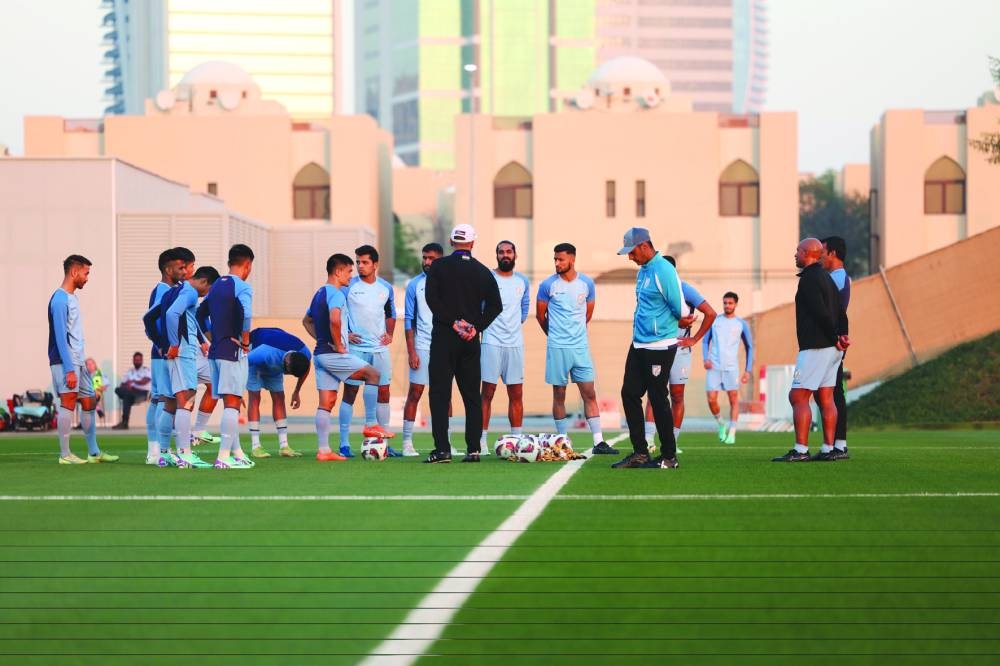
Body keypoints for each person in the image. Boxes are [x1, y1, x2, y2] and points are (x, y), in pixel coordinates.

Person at [423, 224, 502, 463]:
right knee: (471, 396)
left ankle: (442, 450)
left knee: (439, 394)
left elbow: (431, 299)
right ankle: (474, 449)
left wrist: (453, 322)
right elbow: (496, 306)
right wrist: (475, 326)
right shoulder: (483, 271)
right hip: (470, 340)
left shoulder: (438, 266)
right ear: (473, 243)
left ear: (451, 242)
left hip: (445, 337)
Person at [610, 228, 684, 469]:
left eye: (631, 252)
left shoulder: (664, 269)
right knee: (629, 393)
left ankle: (669, 456)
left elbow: (680, 308)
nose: (630, 258)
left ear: (643, 246)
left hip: (659, 345)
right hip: (639, 343)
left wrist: (677, 321)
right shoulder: (643, 271)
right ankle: (640, 452)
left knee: (658, 398)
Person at [772, 238, 849, 462]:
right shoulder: (827, 277)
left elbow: (820, 312)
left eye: (798, 251)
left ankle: (801, 449)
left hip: (816, 346)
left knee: (798, 396)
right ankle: (827, 449)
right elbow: (841, 312)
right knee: (826, 397)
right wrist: (842, 337)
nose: (795, 254)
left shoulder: (809, 279)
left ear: (807, 253)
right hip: (832, 348)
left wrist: (834, 336)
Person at [536, 243, 616, 455]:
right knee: (559, 394)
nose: (557, 263)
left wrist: (575, 333)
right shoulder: (547, 285)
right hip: (558, 347)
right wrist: (554, 335)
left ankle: (599, 441)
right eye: (555, 259)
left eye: (560, 259)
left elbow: (587, 314)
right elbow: (540, 316)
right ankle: (562, 441)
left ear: (572, 259)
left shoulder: (587, 283)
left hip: (580, 347)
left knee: (589, 393)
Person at [303, 253, 383, 462]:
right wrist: (339, 345)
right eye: (348, 271)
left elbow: (306, 321)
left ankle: (324, 451)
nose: (350, 276)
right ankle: (371, 424)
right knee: (373, 374)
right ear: (338, 272)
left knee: (326, 403)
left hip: (320, 355)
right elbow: (335, 320)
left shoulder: (319, 293)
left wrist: (321, 339)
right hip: (332, 354)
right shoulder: (336, 294)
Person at [642, 256, 717, 453]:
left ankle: (672, 442)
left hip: (680, 350)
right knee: (654, 393)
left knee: (677, 395)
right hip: (657, 348)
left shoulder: (685, 289)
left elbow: (710, 313)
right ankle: (648, 440)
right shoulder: (650, 289)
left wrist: (694, 339)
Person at [47, 254, 117, 464]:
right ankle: (65, 454)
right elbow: (60, 337)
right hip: (64, 361)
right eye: (86, 273)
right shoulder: (59, 299)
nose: (87, 278)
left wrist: (80, 363)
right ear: (74, 272)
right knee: (68, 401)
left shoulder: (72, 297)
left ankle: (94, 453)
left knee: (89, 400)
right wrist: (69, 368)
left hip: (79, 361)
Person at [196, 244, 255, 469]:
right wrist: (246, 341)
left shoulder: (216, 286)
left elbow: (200, 315)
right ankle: (223, 457)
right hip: (233, 351)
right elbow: (247, 315)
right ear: (247, 264)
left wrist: (213, 336)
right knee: (232, 404)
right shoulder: (242, 286)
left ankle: (237, 452)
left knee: (231, 403)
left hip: (215, 352)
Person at [337, 245, 396, 457]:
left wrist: (389, 333)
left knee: (384, 391)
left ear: (375, 264)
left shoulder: (385, 288)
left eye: (364, 262)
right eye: (358, 262)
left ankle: (384, 440)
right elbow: (337, 312)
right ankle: (344, 443)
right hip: (356, 349)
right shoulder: (348, 286)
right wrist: (347, 334)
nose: (360, 266)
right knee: (350, 392)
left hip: (379, 349)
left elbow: (391, 313)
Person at [164, 259, 218, 469]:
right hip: (182, 353)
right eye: (209, 290)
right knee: (183, 400)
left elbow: (188, 318)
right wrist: (174, 344)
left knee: (190, 396)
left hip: (189, 353)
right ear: (204, 281)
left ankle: (186, 447)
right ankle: (183, 454)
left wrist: (203, 341)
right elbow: (171, 314)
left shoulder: (183, 291)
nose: (207, 295)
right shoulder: (190, 292)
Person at [479, 240, 531, 453]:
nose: (505, 255)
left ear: (515, 255)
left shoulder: (523, 281)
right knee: (487, 393)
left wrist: (512, 327)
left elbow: (524, 308)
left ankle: (517, 440)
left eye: (509, 251)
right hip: (491, 342)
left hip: (514, 344)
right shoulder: (488, 278)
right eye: (501, 252)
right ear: (497, 255)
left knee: (516, 393)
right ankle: (481, 441)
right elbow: (480, 307)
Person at [401, 242, 447, 457]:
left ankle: (445, 443)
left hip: (444, 346)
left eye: (432, 258)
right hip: (421, 345)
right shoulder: (414, 285)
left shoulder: (451, 283)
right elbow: (408, 320)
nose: (427, 262)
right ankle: (407, 441)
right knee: (415, 392)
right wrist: (412, 352)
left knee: (444, 396)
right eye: (425, 258)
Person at [246, 327, 312, 458]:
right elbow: (242, 363)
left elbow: (307, 367)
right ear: (286, 363)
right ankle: (256, 446)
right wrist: (237, 388)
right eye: (287, 372)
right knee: (254, 398)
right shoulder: (263, 352)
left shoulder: (304, 353)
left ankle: (284, 446)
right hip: (254, 360)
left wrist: (297, 391)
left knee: (279, 398)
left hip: (275, 359)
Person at [142, 248, 181, 464]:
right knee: (164, 399)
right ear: (168, 269)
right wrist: (162, 345)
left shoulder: (166, 289)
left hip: (160, 352)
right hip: (163, 353)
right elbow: (154, 319)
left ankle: (153, 451)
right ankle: (157, 452)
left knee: (157, 399)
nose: (183, 271)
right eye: (180, 267)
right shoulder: (163, 290)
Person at [702, 291, 754, 444]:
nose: (727, 306)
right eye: (725, 303)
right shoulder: (715, 321)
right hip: (714, 366)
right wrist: (706, 358)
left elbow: (750, 346)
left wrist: (748, 370)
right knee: (711, 399)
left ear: (736, 304)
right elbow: (705, 341)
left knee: (733, 399)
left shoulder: (741, 324)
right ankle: (721, 424)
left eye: (730, 303)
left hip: (732, 368)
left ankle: (732, 432)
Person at [822, 235, 852, 459]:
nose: (820, 255)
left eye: (822, 251)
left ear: (832, 253)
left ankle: (838, 444)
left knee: (833, 392)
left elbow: (833, 311)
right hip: (832, 339)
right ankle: (835, 443)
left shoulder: (837, 278)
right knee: (829, 392)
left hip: (831, 341)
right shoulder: (834, 277)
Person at [112, 351, 151, 429]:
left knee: (126, 396)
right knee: (118, 389)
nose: (137, 361)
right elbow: (122, 384)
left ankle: (124, 423)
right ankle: (124, 423)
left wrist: (132, 382)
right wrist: (128, 385)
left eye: (138, 360)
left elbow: (145, 381)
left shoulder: (146, 370)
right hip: (130, 392)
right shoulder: (130, 371)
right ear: (133, 360)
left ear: (142, 360)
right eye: (135, 360)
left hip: (142, 393)